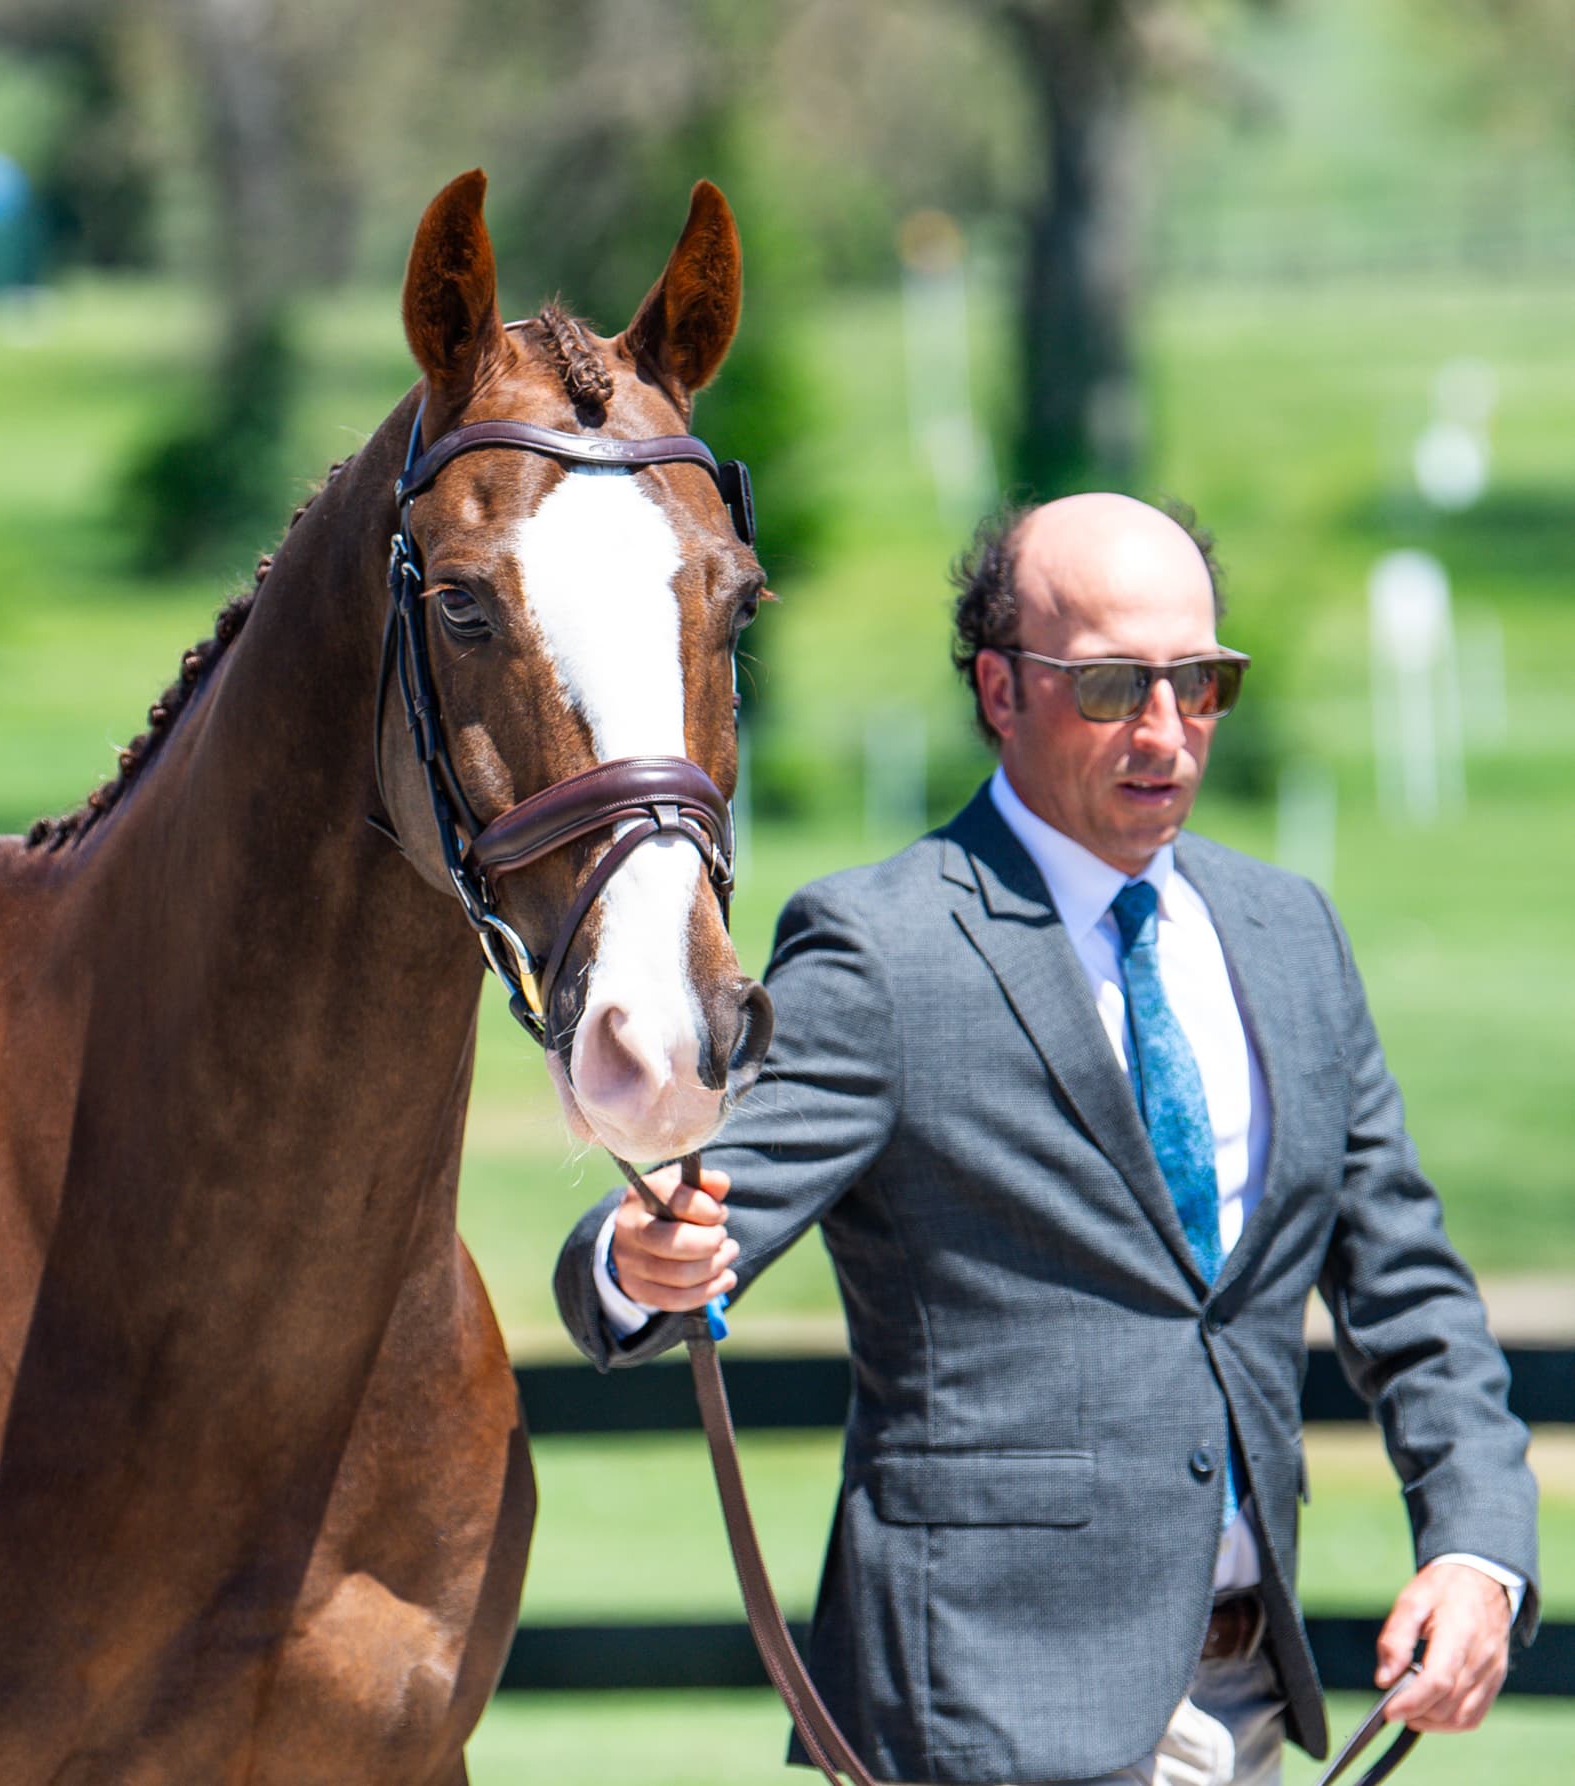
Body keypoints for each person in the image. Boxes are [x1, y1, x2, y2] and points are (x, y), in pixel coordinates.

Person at [554, 494, 1540, 1786]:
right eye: (1113, 685)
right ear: (1001, 690)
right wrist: (636, 1263)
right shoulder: (885, 948)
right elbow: (693, 1218)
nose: (1167, 730)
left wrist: (1479, 1549)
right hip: (977, 1713)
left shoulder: (1291, 935)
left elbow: (1409, 1292)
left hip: (1255, 1708)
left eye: (1201, 681)